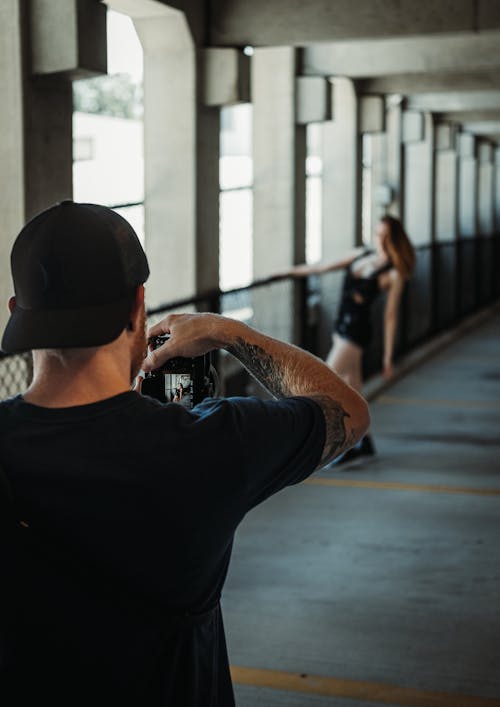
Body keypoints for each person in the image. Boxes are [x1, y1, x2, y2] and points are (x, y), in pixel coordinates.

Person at [0, 201, 369, 706]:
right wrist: (230, 333)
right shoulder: (212, 443)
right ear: (137, 306)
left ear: (16, 311)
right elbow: (348, 412)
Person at [291, 215, 415, 464]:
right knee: (353, 392)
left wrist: (388, 355)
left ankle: (313, 446)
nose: (379, 239)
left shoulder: (393, 272)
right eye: (377, 233)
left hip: (354, 335)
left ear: (394, 239)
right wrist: (290, 271)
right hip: (340, 330)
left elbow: (390, 316)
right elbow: (324, 266)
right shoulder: (362, 254)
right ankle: (364, 441)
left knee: (318, 381)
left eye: (385, 236)